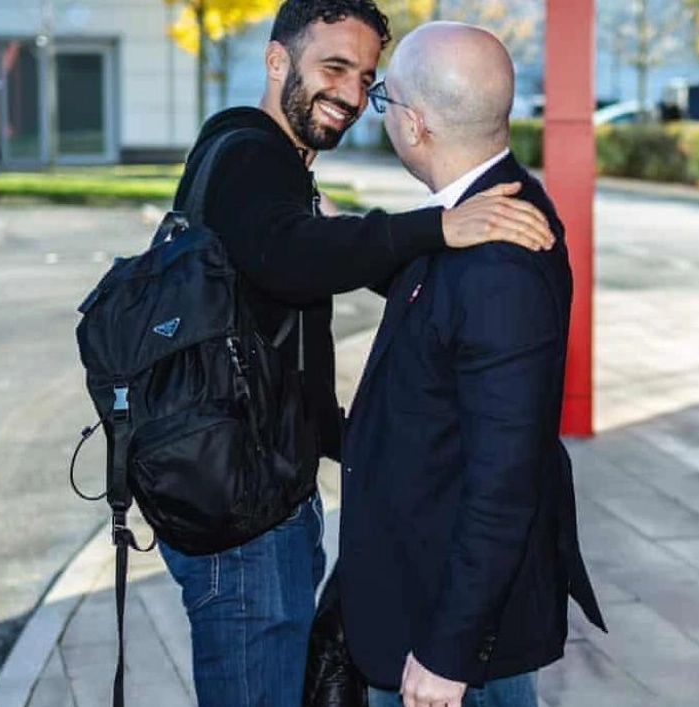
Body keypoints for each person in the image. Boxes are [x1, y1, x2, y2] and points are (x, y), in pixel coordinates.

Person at [157, 3, 560, 706]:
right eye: (335, 68)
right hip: (241, 522)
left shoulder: (269, 162)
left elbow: (499, 464)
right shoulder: (253, 155)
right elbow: (290, 255)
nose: (352, 95)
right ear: (277, 60)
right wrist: (433, 226)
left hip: (269, 506)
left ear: (417, 121)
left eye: (371, 79)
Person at [338, 22, 607, 707]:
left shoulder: (498, 258)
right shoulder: (483, 210)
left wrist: (446, 652)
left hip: (449, 649)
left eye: (384, 102)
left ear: (417, 124)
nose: (383, 115)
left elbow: (504, 481)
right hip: (424, 600)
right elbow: (435, 308)